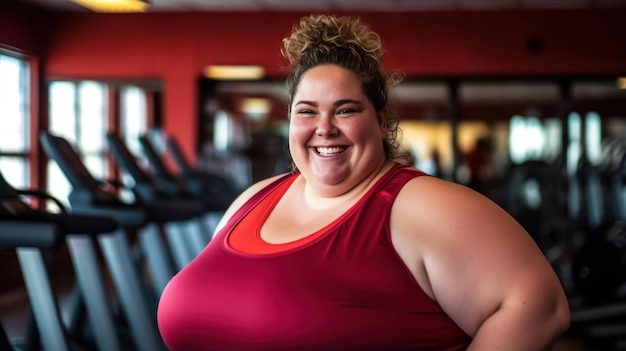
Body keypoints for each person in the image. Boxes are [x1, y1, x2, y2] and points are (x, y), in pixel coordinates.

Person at [157, 14, 570, 350]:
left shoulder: (415, 205)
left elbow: (539, 307)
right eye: (306, 111)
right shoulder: (253, 199)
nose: (324, 128)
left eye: (345, 109)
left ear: (382, 118)